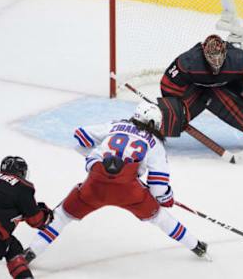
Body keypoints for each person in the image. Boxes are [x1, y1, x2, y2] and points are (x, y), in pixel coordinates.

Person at [22, 102, 208, 263]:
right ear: (153, 122)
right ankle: (196, 246)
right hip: (130, 192)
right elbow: (158, 189)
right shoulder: (155, 144)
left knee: (62, 215)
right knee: (160, 217)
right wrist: (166, 197)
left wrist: (101, 157)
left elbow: (80, 136)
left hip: (95, 184)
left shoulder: (116, 126)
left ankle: (31, 252)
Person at [159, 34, 243, 148]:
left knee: (242, 111)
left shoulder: (240, 59)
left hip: (224, 89)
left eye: (219, 57)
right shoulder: (188, 62)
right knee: (171, 119)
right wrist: (176, 106)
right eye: (211, 58)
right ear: (204, 53)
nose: (216, 62)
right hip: (194, 91)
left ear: (225, 52)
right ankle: (152, 128)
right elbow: (167, 83)